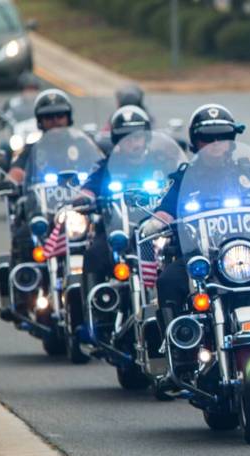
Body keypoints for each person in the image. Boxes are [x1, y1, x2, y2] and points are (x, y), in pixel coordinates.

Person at [142, 103, 250, 338]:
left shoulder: (249, 171)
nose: (215, 144)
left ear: (231, 141)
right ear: (196, 142)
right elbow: (165, 210)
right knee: (168, 281)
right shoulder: (183, 178)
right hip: (200, 258)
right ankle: (179, 343)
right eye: (207, 138)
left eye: (222, 138)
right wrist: (156, 222)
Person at [77, 105, 153, 318]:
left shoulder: (161, 163)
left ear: (146, 138)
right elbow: (88, 189)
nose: (133, 143)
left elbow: (178, 188)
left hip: (155, 235)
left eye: (137, 137)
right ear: (116, 141)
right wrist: (84, 197)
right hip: (116, 234)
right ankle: (94, 315)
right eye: (126, 138)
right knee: (93, 255)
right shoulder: (105, 167)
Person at [7, 89, 78, 265]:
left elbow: (100, 164)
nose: (55, 121)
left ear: (68, 117)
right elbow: (16, 171)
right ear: (40, 121)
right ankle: (27, 279)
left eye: (60, 116)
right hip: (43, 212)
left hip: (80, 212)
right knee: (23, 236)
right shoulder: (32, 149)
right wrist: (11, 181)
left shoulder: (82, 143)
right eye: (48, 117)